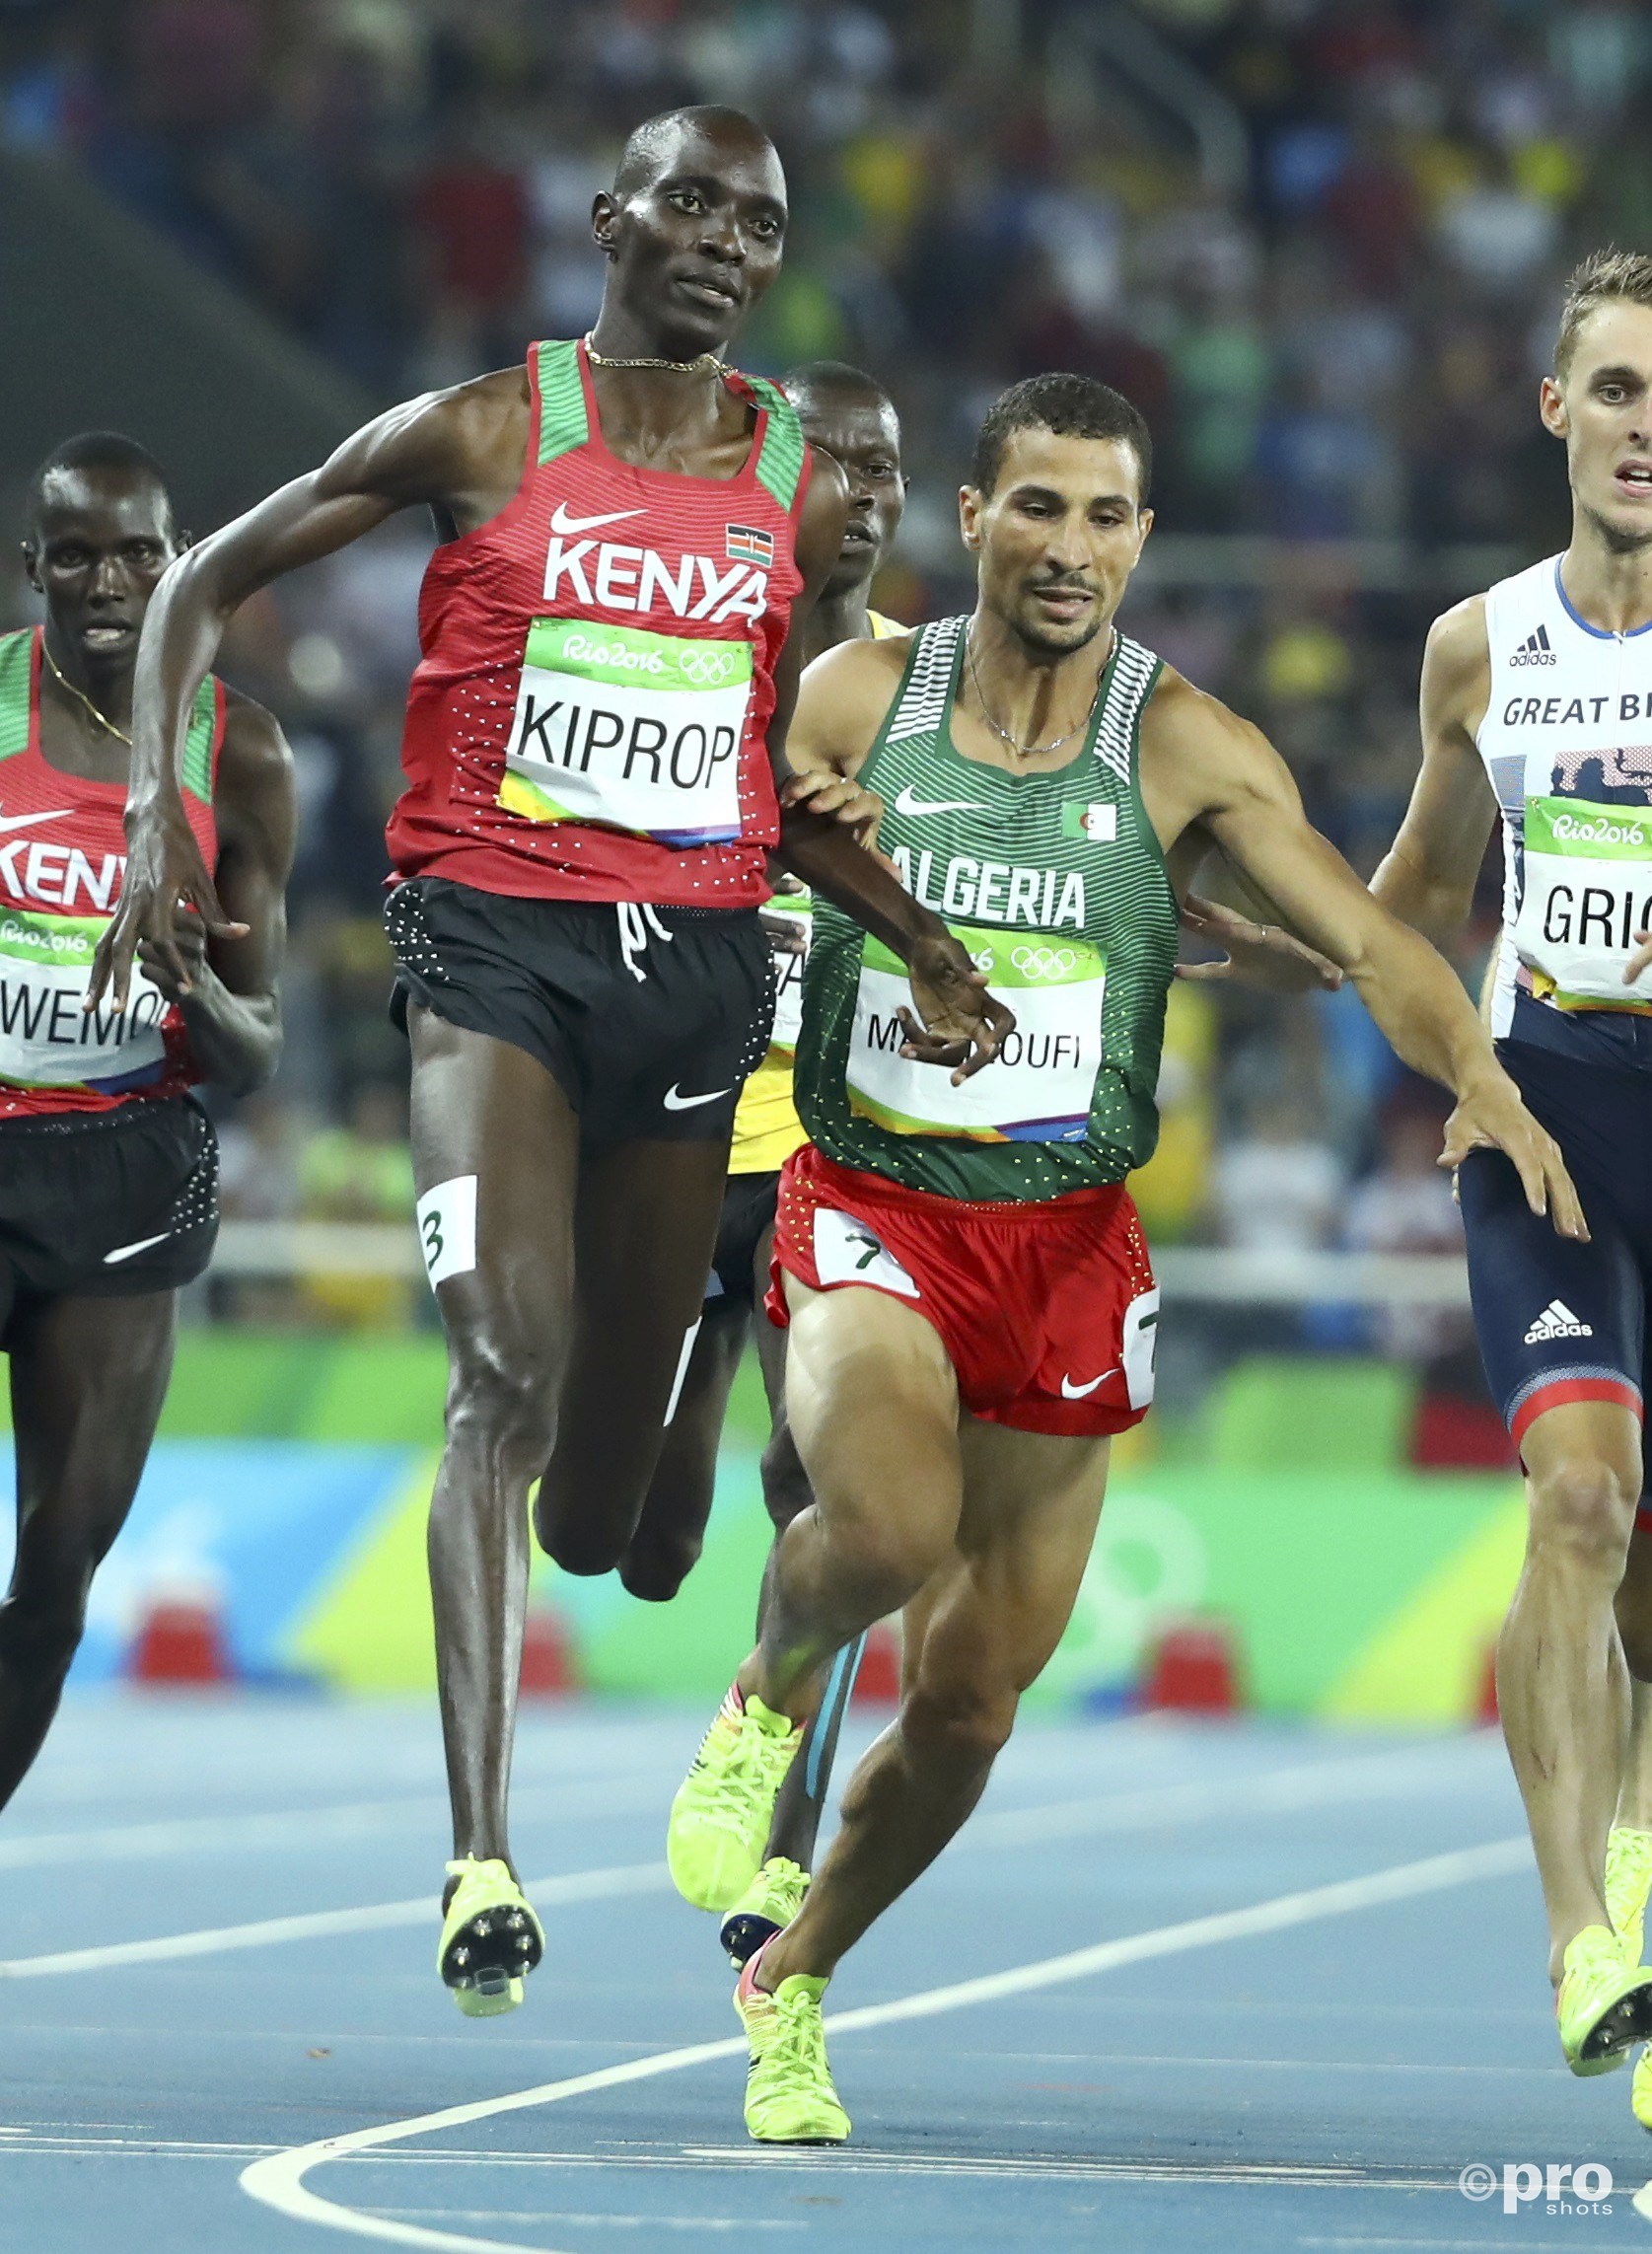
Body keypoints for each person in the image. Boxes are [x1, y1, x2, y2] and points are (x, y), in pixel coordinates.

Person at [90, 107, 1003, 2018]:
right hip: (492, 947)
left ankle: (683, 1359)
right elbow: (197, 585)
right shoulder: (486, 428)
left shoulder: (787, 480)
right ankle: (478, 1863)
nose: (722, 244)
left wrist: (925, 940)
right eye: (687, 205)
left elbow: (779, 761)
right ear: (609, 221)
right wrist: (155, 815)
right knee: (494, 1380)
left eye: (755, 225)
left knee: (626, 1533)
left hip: (694, 995)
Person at [664, 371, 1585, 2144]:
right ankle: (758, 1709)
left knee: (971, 1707)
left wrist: (1477, 1071)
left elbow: (1372, 938)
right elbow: (746, 821)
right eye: (1040, 508)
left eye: (1106, 517)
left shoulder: (1191, 750)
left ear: (1144, 540)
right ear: (975, 518)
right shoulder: (863, 692)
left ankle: (789, 1982)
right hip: (872, 1204)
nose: (1071, 547)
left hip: (1070, 1247)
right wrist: (850, 880)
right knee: (882, 1518)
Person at [1359, 247, 1652, 2101]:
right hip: (1547, 1114)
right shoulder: (1481, 645)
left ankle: (1636, 1857)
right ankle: (1582, 1941)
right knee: (1579, 1503)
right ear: (1560, 411)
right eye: (1620, 391)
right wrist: (1447, 1048)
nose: (1649, 430)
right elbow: (1410, 905)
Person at [622, 360, 910, 1966]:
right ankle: (691, 1390)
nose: (858, 488)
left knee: (827, 1494)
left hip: (835, 1147)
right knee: (650, 1549)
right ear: (774, 462)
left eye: (886, 467)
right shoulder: (699, 638)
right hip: (683, 1128)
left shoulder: (912, 689)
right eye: (835, 458)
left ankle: (773, 1856)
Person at [0, 431, 293, 1814]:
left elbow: (259, 1046)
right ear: (33, 569)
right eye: (78, 555)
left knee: (58, 1567)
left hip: (126, 1160)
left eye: (139, 554)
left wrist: (190, 988)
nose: (109, 579)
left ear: (178, 565)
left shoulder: (240, 753)